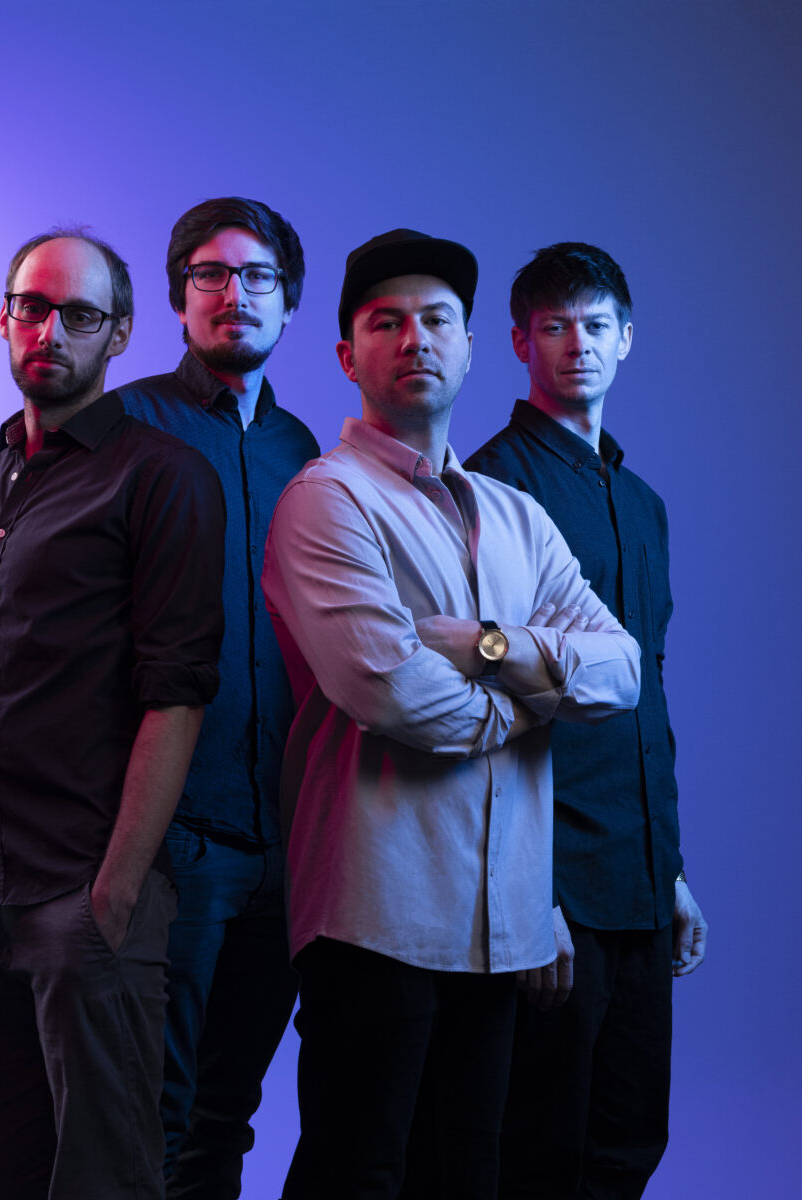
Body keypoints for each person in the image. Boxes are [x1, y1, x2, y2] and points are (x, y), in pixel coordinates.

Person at [261, 228, 643, 1200]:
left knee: (465, 1178)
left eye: (435, 319)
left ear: (470, 345)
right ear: (347, 356)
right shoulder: (324, 501)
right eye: (384, 322)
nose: (413, 338)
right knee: (358, 1173)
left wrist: (486, 647)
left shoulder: (519, 516)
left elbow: (620, 671)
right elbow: (388, 688)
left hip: (503, 926)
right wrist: (528, 708)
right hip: (372, 912)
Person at [0, 228, 226, 1200]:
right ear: (4, 320)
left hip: (81, 902)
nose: (49, 329)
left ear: (120, 333)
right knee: (4, 1178)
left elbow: (175, 693)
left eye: (78, 314)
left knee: (104, 1182)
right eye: (31, 307)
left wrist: (115, 893)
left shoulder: (162, 477)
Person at [464, 241, 707, 1198]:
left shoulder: (642, 505)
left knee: (626, 1143)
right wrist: (532, 894)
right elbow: (491, 697)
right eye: (555, 326)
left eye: (595, 325)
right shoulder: (491, 485)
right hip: (551, 884)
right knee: (538, 1151)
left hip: (641, 880)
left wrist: (674, 869)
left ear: (626, 339)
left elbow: (649, 696)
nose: (577, 345)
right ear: (521, 341)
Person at [111, 197, 318, 1198]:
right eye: (209, 274)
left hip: (282, 845)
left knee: (224, 1120)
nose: (233, 295)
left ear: (287, 301)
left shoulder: (301, 449)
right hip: (171, 842)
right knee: (148, 1112)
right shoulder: (124, 428)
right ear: (178, 296)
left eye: (257, 277)